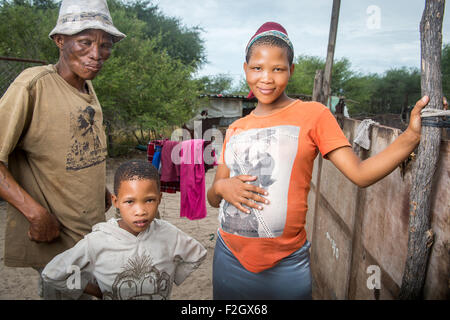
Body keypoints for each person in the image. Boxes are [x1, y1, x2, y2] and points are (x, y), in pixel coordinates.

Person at [207, 22, 431, 300]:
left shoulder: (313, 115)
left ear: (291, 70)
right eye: (257, 68)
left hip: (286, 263)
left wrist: (410, 136)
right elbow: (214, 197)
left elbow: (360, 174)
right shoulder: (236, 128)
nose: (266, 78)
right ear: (245, 69)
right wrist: (222, 188)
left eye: (278, 68)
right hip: (230, 256)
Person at [0, 0, 125, 299]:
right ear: (60, 41)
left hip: (90, 234)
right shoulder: (33, 85)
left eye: (105, 45)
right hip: (58, 240)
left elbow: (71, 150)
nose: (96, 54)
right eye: (85, 42)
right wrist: (35, 214)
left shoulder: (87, 87)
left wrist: (99, 190)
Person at [41, 159, 207, 300]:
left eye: (149, 200)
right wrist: (96, 291)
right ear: (115, 201)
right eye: (129, 202)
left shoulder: (169, 233)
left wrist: (168, 276)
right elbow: (55, 272)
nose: (140, 211)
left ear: (160, 199)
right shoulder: (98, 241)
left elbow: (196, 254)